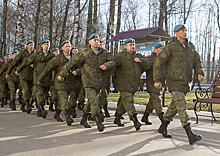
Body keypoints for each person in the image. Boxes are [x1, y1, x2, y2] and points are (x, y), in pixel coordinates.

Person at [153, 24, 204, 145]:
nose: (185, 32)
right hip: (174, 81)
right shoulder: (170, 47)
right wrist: (157, 79)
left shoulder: (190, 46)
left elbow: (197, 61)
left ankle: (163, 126)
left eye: (186, 30)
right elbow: (159, 63)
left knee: (174, 107)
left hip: (186, 82)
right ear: (176, 33)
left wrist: (200, 73)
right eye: (182, 30)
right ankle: (190, 134)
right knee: (182, 105)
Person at [58, 34, 115, 132]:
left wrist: (107, 65)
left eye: (98, 40)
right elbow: (71, 64)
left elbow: (113, 61)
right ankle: (99, 123)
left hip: (99, 83)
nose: (96, 41)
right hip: (88, 82)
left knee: (90, 103)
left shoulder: (104, 53)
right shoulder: (84, 53)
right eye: (94, 40)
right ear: (89, 42)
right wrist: (61, 74)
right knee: (94, 101)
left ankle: (84, 119)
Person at [114, 38, 151, 131]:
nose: (132, 46)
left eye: (133, 44)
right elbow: (112, 66)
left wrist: (140, 61)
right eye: (130, 45)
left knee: (124, 103)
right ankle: (135, 121)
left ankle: (117, 118)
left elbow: (148, 64)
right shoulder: (120, 56)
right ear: (125, 46)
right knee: (129, 102)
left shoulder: (138, 56)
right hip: (124, 84)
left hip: (134, 85)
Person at [38, 41, 78, 125]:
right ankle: (68, 117)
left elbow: (82, 67)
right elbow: (47, 69)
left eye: (69, 46)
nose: (68, 48)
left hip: (71, 82)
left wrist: (77, 71)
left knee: (72, 101)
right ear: (62, 48)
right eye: (66, 46)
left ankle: (57, 114)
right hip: (61, 82)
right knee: (63, 100)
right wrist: (40, 79)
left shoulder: (75, 58)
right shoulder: (57, 59)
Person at [16, 40, 55, 119]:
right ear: (42, 46)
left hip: (48, 79)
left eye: (48, 44)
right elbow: (27, 62)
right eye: (45, 44)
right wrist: (18, 69)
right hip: (38, 79)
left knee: (44, 96)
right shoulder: (37, 55)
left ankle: (39, 109)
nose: (46, 46)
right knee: (39, 94)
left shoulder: (52, 56)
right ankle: (42, 109)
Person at [6, 41, 35, 112]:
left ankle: (23, 105)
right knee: (26, 90)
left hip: (32, 76)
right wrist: (8, 72)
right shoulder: (22, 53)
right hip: (23, 76)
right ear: (27, 46)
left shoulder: (35, 54)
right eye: (30, 45)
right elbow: (14, 62)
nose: (32, 47)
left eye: (33, 45)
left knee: (30, 92)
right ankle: (28, 106)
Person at [141, 43, 165, 125]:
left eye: (163, 48)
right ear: (156, 49)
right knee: (157, 101)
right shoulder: (150, 59)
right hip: (152, 83)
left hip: (161, 84)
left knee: (152, 102)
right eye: (160, 48)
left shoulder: (164, 59)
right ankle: (164, 121)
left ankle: (145, 117)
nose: (162, 50)